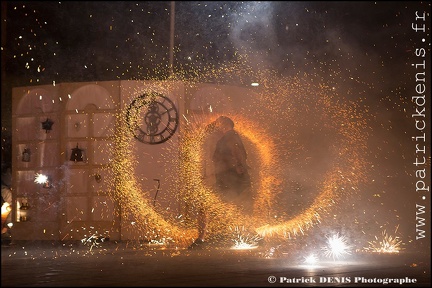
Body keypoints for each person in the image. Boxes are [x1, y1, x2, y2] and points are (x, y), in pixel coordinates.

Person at [189, 116, 251, 249]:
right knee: (234, 208)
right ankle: (250, 235)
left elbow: (237, 154)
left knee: (205, 206)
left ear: (224, 125)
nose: (216, 126)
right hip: (227, 181)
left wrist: (239, 167)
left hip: (230, 182)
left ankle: (201, 239)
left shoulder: (230, 137)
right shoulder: (230, 137)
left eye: (218, 124)